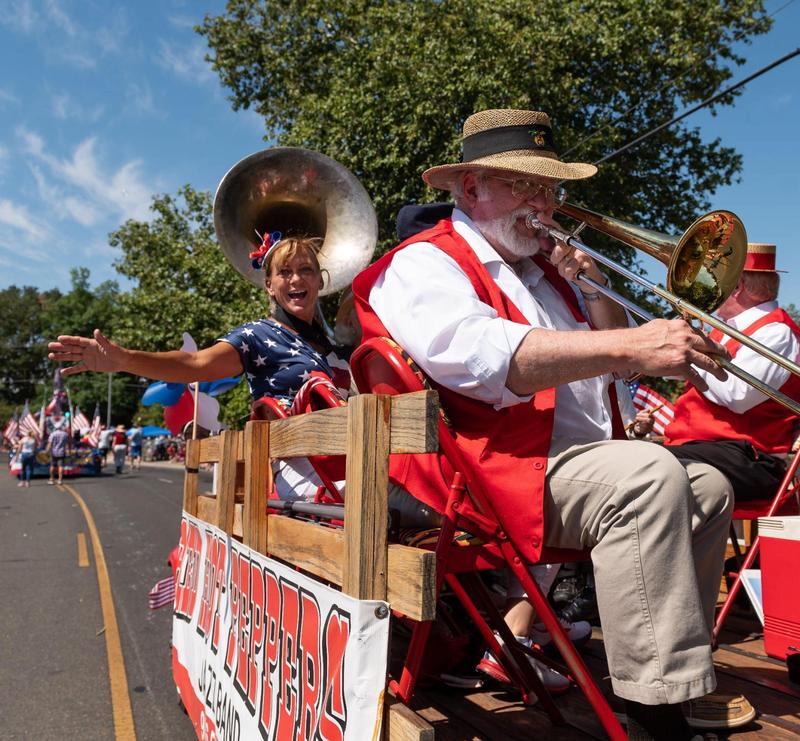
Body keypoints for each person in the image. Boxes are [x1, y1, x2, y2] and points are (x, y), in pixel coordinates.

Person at [353, 108, 753, 737]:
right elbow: (485, 359)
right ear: (471, 188)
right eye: (524, 184)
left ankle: (674, 681)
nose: (543, 202)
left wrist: (595, 294)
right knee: (651, 477)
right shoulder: (424, 262)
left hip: (568, 465)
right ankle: (653, 714)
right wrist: (631, 347)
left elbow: (615, 375)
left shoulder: (544, 274)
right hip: (490, 475)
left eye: (550, 187)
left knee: (707, 486)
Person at [48, 236, 352, 499]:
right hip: (304, 467)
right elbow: (195, 363)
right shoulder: (258, 335)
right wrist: (126, 359)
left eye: (305, 270)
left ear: (320, 281)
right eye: (284, 272)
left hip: (348, 455)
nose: (296, 279)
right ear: (269, 286)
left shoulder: (337, 346)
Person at [631, 243, 800, 503]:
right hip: (713, 450)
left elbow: (738, 395)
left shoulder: (777, 332)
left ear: (736, 286)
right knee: (624, 459)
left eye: (714, 280)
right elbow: (697, 376)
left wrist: (684, 358)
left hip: (751, 457)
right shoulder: (726, 329)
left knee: (641, 467)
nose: (707, 289)